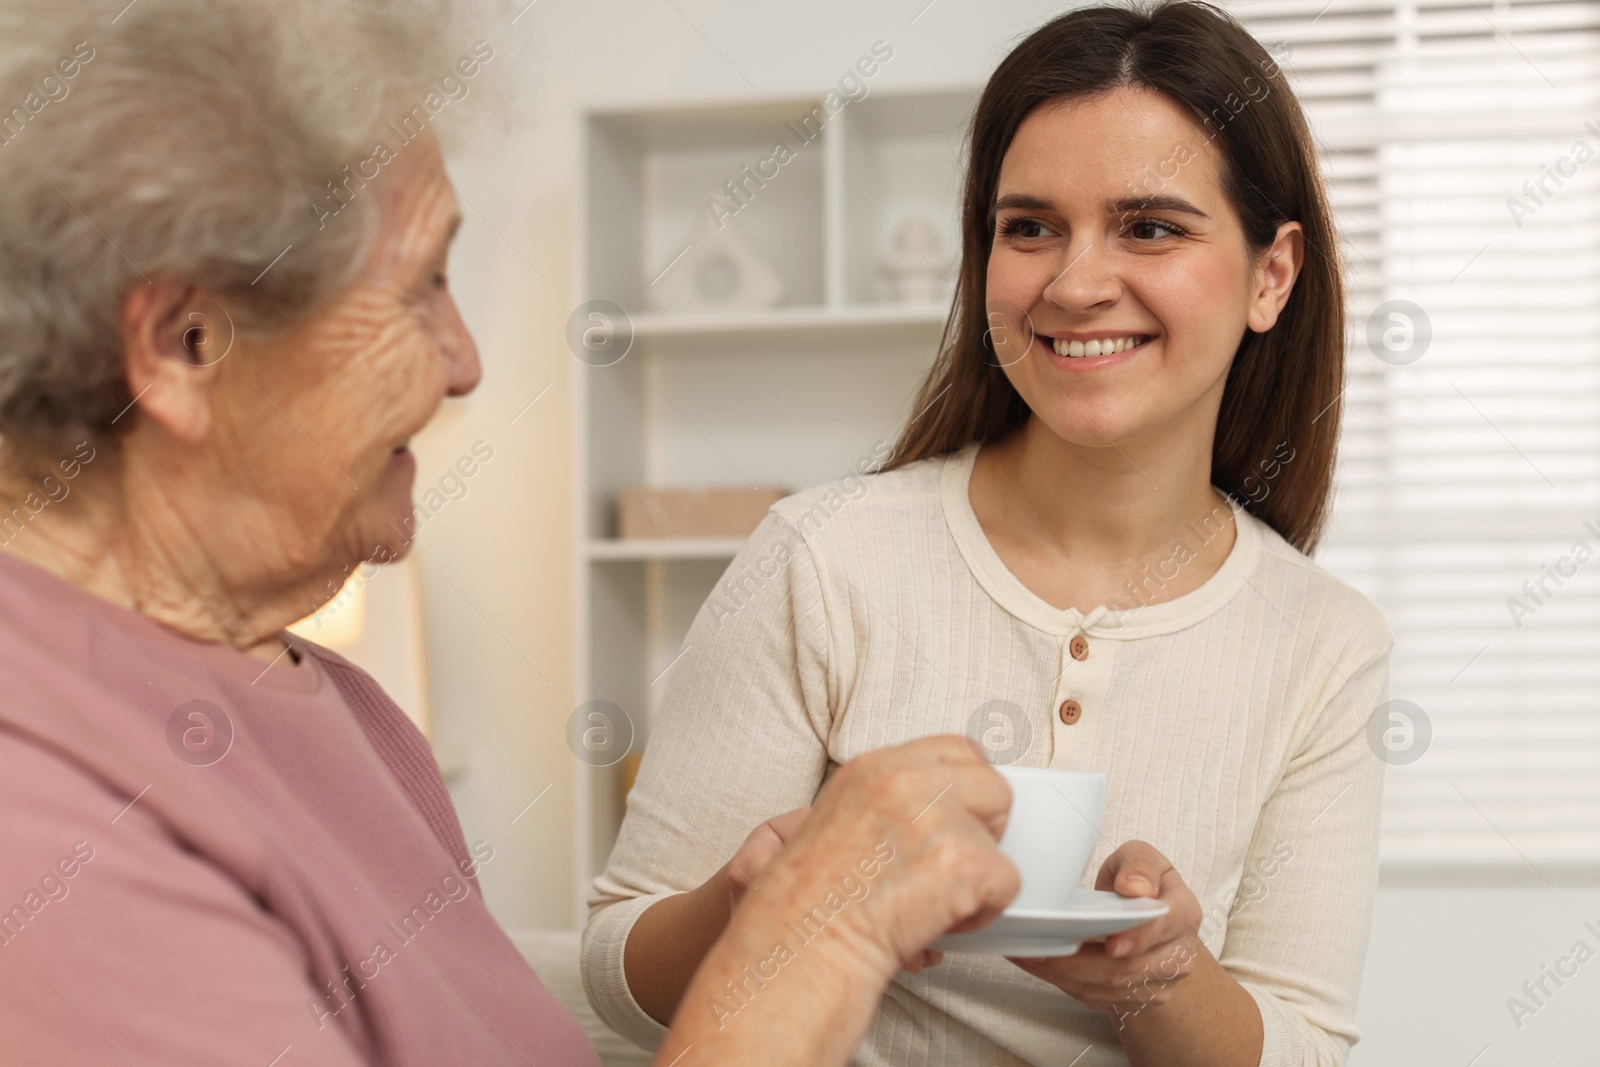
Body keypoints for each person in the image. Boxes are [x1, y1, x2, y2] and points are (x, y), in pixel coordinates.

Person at [0, 2, 1028, 1065]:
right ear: (185, 345)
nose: (466, 362)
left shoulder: (331, 699)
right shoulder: (38, 821)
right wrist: (823, 929)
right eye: (421, 286)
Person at [583, 2, 1392, 1065]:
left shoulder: (1324, 642)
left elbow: (1306, 1046)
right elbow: (614, 970)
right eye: (1029, 226)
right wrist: (762, 900)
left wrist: (1160, 976)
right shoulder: (822, 559)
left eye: (1149, 225)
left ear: (1270, 275)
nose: (1073, 282)